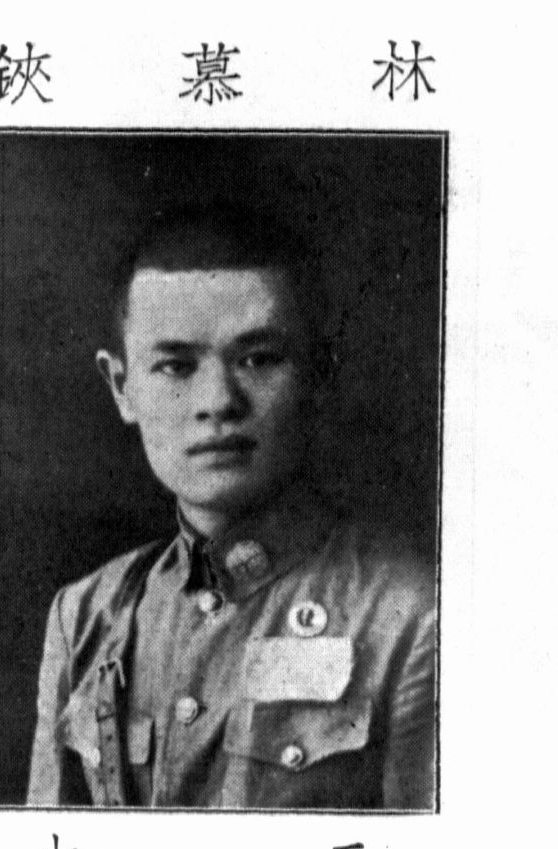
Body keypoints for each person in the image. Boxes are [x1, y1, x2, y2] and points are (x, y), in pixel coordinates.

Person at [27, 204, 437, 810]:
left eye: (258, 359)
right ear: (121, 387)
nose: (217, 401)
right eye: (175, 366)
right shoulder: (83, 616)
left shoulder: (412, 617)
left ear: (318, 374)